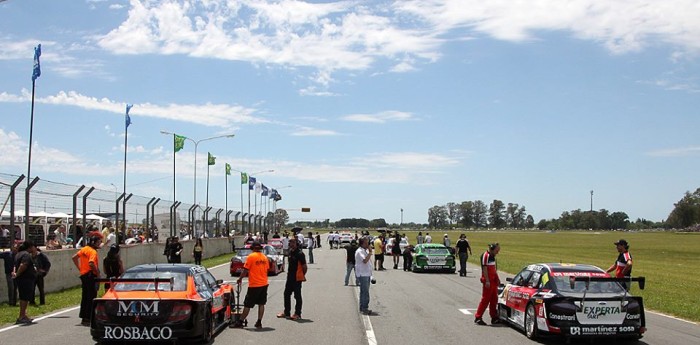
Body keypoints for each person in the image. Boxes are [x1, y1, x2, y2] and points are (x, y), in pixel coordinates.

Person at [233, 241, 270, 329]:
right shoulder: (264, 257)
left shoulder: (251, 257)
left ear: (252, 248)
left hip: (254, 284)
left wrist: (240, 279)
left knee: (247, 304)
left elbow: (245, 270)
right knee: (261, 304)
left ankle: (240, 321)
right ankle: (259, 322)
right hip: (264, 283)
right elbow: (267, 269)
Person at [72, 235, 101, 326]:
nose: (100, 243)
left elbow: (74, 257)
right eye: (99, 242)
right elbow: (91, 263)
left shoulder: (85, 249)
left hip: (84, 275)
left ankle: (84, 317)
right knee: (91, 297)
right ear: (94, 243)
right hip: (90, 275)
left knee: (85, 297)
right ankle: (89, 317)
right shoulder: (93, 252)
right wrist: (98, 273)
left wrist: (80, 268)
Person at [277, 238, 307, 320]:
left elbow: (304, 267)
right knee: (286, 294)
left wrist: (301, 275)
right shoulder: (290, 252)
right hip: (289, 277)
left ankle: (297, 313)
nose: (291, 244)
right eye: (290, 242)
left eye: (293, 242)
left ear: (296, 243)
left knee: (297, 296)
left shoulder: (300, 254)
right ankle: (286, 312)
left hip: (297, 278)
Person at [475, 243, 501, 325]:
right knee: (485, 299)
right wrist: (487, 280)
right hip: (488, 281)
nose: (497, 252)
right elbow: (484, 268)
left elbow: (494, 269)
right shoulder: (486, 256)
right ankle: (478, 317)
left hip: (493, 281)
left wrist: (497, 278)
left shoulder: (493, 257)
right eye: (497, 250)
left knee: (494, 299)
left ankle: (494, 317)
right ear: (492, 249)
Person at [13, 241, 38, 324]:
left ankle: (24, 315)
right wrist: (17, 274)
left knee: (24, 297)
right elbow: (23, 265)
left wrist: (15, 273)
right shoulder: (26, 255)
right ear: (29, 247)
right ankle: (21, 316)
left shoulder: (18, 254)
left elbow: (15, 265)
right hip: (26, 279)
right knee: (24, 298)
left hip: (22, 279)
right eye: (32, 247)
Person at [355, 237, 373, 315]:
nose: (368, 244)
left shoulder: (363, 251)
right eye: (366, 243)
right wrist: (370, 252)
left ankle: (363, 307)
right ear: (363, 243)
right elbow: (365, 260)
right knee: (365, 292)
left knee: (364, 292)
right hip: (363, 274)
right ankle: (364, 308)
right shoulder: (360, 251)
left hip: (366, 273)